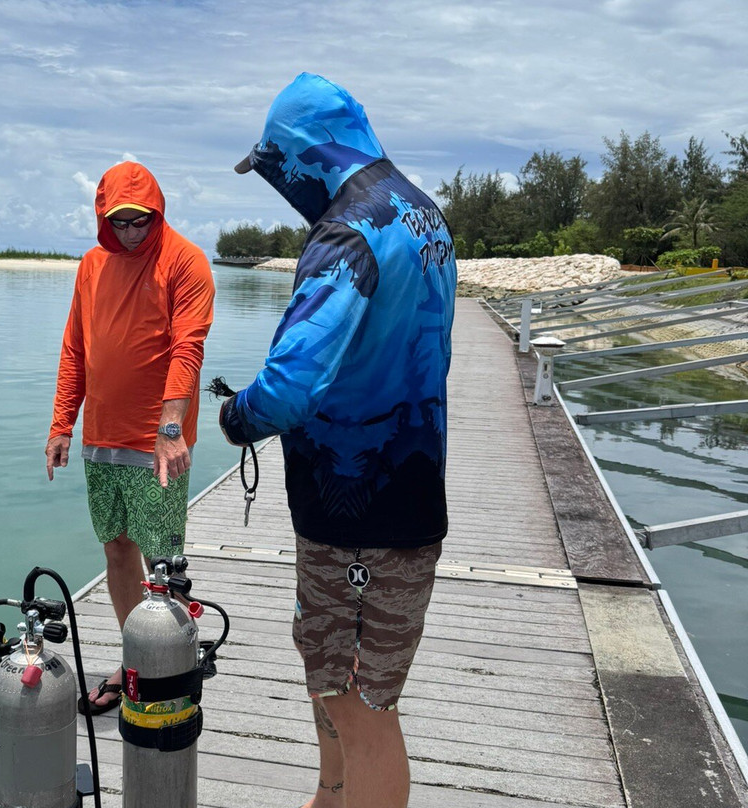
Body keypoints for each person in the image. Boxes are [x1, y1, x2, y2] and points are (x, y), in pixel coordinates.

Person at [218, 74, 456, 808]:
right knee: (337, 676)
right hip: (411, 493)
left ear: (300, 156)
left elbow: (289, 389)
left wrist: (236, 418)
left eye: (275, 170)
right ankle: (329, 795)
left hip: (357, 511)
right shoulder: (424, 215)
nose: (279, 188)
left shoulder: (347, 231)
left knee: (360, 700)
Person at [46, 160, 214, 714]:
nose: (132, 231)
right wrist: (61, 424)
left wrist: (170, 430)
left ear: (157, 212)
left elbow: (187, 350)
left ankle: (170, 662)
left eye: (141, 220)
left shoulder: (185, 262)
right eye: (120, 221)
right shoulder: (92, 265)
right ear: (104, 218)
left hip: (157, 442)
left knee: (163, 561)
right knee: (117, 548)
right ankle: (134, 659)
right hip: (102, 439)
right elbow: (75, 349)